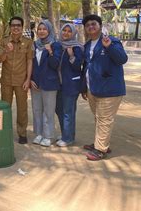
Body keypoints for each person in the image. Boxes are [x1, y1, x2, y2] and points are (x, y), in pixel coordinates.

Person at [81, 14, 128, 161]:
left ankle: (100, 149)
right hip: (93, 89)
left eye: (94, 24)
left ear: (100, 26)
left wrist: (110, 47)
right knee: (98, 118)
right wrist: (84, 88)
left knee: (104, 119)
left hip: (109, 89)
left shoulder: (111, 41)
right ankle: (101, 142)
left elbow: (122, 59)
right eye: (88, 25)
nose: (91, 27)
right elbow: (86, 68)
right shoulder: (87, 45)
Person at [0, 17, 33, 144]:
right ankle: (4, 132)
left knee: (22, 108)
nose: (16, 27)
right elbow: (0, 60)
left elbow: (29, 61)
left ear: (22, 27)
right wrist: (6, 51)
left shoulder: (28, 42)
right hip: (6, 80)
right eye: (13, 25)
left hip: (21, 81)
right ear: (10, 27)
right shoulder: (4, 41)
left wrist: (28, 79)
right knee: (5, 108)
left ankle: (22, 133)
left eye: (18, 25)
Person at [30, 20, 62, 147]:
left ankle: (48, 136)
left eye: (44, 29)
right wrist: (31, 78)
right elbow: (31, 64)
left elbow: (55, 64)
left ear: (49, 31)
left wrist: (50, 51)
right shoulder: (34, 45)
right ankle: (39, 133)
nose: (41, 31)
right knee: (37, 109)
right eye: (39, 29)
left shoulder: (56, 45)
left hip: (49, 83)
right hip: (35, 83)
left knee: (48, 111)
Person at [55, 23, 84, 147]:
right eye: (64, 31)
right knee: (59, 109)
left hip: (71, 84)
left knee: (68, 111)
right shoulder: (59, 45)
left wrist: (71, 55)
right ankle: (65, 134)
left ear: (73, 34)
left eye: (69, 31)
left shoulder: (76, 47)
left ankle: (68, 138)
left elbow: (78, 65)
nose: (66, 33)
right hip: (59, 85)